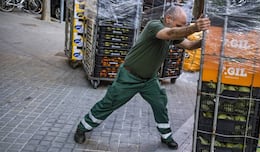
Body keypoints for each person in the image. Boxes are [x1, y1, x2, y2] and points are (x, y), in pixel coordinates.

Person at [73, 6, 210, 150]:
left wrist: (206, 39)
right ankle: (82, 128)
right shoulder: (155, 26)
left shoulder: (173, 32)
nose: (181, 29)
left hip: (149, 80)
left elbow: (189, 45)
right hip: (129, 77)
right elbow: (170, 33)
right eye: (179, 25)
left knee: (160, 104)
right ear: (168, 19)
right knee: (109, 103)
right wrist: (194, 28)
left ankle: (166, 136)